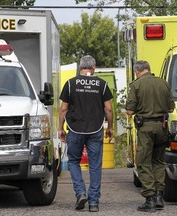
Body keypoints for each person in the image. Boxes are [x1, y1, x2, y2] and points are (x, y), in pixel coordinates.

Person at [58, 55, 113, 212]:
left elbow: (63, 109)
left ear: (80, 68)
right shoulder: (102, 84)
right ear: (94, 68)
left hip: (75, 129)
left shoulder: (70, 83)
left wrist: (60, 128)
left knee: (74, 161)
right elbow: (108, 108)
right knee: (95, 165)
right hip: (95, 129)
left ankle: (81, 193)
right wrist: (110, 127)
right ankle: (94, 202)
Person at [125, 60, 175, 212]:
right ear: (149, 69)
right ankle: (159, 195)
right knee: (159, 161)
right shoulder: (163, 83)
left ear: (137, 72)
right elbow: (171, 108)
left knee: (143, 162)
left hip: (145, 128)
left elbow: (129, 111)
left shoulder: (136, 85)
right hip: (162, 127)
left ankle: (150, 199)